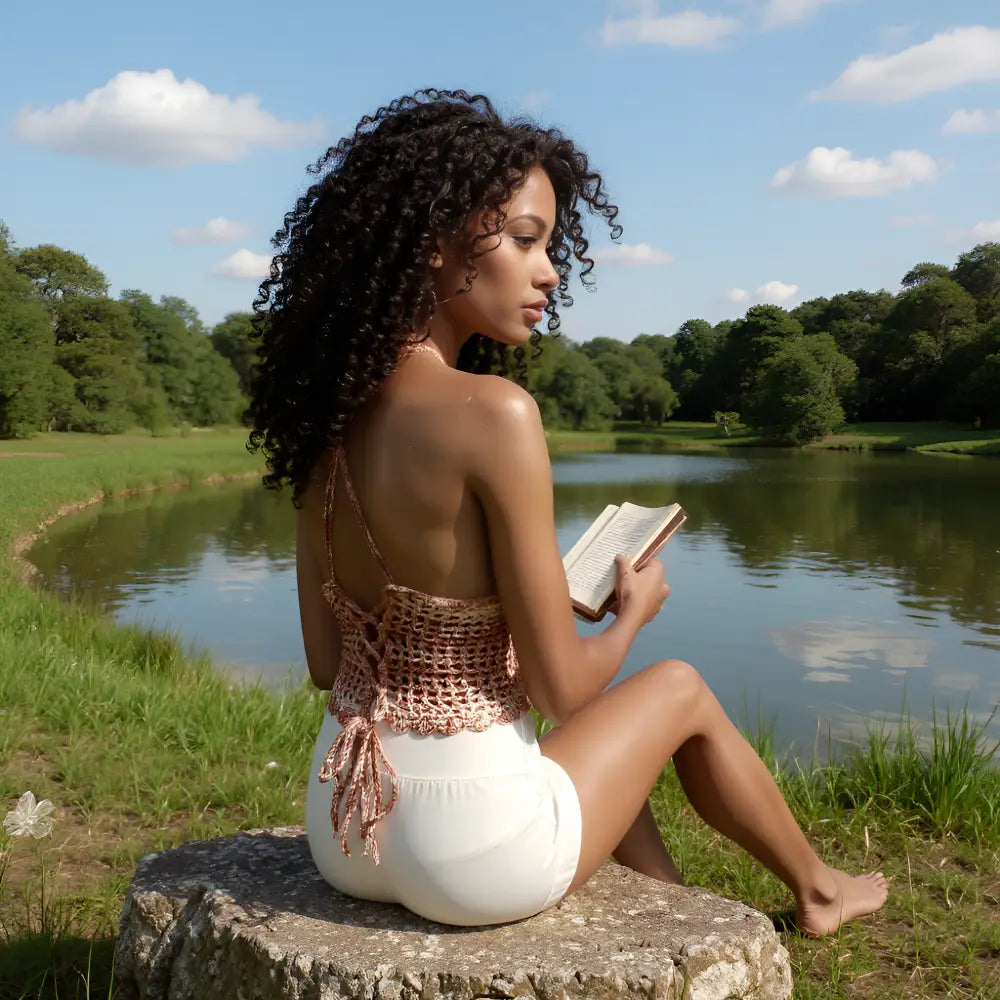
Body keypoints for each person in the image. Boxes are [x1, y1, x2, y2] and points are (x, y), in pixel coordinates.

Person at [246, 89, 888, 934]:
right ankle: (819, 890)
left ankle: (673, 907)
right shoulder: (495, 412)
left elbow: (330, 664)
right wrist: (630, 616)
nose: (550, 269)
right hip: (469, 851)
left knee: (581, 753)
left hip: (347, 824)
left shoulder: (321, 419)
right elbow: (560, 689)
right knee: (678, 690)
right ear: (432, 247)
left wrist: (488, 634)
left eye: (549, 243)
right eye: (523, 239)